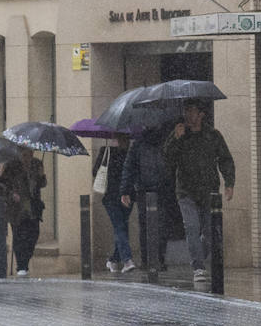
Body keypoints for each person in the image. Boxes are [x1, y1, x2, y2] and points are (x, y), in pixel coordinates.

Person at [162, 98, 235, 283]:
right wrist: (176, 139)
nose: (188, 114)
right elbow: (167, 159)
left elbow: (225, 158)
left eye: (192, 111)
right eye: (186, 110)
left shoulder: (213, 135)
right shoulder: (179, 134)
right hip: (186, 191)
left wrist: (229, 183)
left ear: (201, 114)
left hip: (208, 190)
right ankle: (198, 267)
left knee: (210, 233)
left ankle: (199, 254)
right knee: (192, 227)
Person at [119, 123, 170, 269]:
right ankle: (152, 259)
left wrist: (125, 190)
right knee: (153, 225)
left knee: (154, 225)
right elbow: (129, 167)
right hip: (148, 189)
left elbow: (129, 167)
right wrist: (125, 190)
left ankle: (152, 259)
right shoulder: (142, 144)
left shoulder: (149, 143)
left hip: (156, 189)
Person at [1, 146, 47, 276]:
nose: (28, 156)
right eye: (25, 154)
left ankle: (25, 261)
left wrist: (42, 175)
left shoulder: (37, 163)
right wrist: (11, 194)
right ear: (20, 153)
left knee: (33, 234)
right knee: (19, 235)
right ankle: (21, 266)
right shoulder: (11, 166)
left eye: (31, 153)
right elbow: (3, 185)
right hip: (16, 207)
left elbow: (42, 184)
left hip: (33, 206)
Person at [92, 134, 133, 273]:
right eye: (122, 138)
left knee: (122, 227)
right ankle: (127, 260)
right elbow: (95, 172)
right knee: (120, 227)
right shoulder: (106, 151)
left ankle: (113, 260)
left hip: (127, 196)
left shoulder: (130, 153)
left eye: (126, 139)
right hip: (111, 197)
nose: (125, 142)